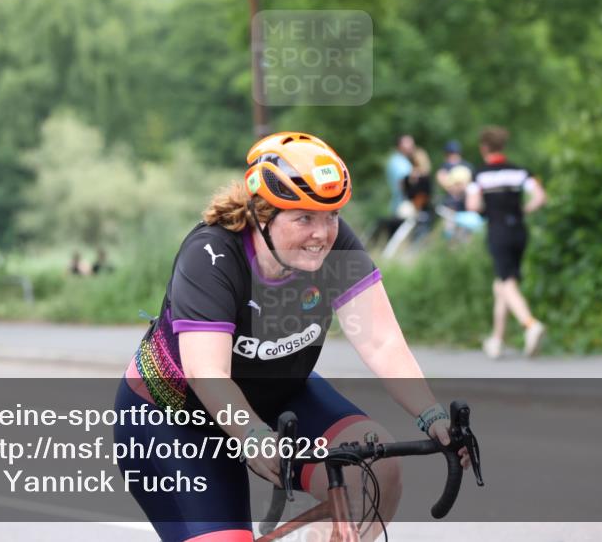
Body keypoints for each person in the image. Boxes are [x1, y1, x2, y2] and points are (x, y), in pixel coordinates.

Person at [115, 132, 470, 542]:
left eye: (332, 215)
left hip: (278, 398)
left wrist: (432, 415)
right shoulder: (212, 255)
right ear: (262, 214)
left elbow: (381, 342)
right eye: (304, 218)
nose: (322, 233)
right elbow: (206, 372)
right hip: (174, 417)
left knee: (377, 472)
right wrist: (251, 434)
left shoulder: (336, 247)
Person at [465, 126, 547, 358]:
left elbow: (472, 205)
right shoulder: (520, 171)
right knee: (501, 284)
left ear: (484, 148)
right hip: (519, 231)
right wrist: (523, 210)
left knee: (506, 283)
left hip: (498, 231)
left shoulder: (480, 174)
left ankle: (530, 325)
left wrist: (486, 209)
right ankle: (497, 341)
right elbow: (540, 197)